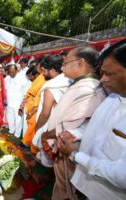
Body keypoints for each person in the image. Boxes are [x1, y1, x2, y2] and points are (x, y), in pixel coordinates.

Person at [58, 39, 126, 200]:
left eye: (109, 74)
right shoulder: (114, 97)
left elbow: (123, 176)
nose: (102, 80)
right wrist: (75, 133)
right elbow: (99, 126)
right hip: (86, 184)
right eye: (102, 73)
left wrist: (76, 156)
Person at [42, 46, 106, 199]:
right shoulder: (78, 85)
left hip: (69, 149)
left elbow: (70, 126)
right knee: (62, 186)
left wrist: (46, 135)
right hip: (61, 147)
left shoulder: (90, 89)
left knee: (69, 190)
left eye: (65, 62)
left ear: (80, 63)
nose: (62, 66)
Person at [32, 55, 70, 156]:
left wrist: (37, 130)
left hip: (50, 126)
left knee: (48, 156)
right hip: (66, 125)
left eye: (44, 71)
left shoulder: (51, 86)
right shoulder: (69, 81)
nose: (43, 74)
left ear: (52, 70)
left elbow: (45, 114)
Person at [22, 58, 46, 151]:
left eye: (38, 65)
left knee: (34, 129)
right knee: (31, 128)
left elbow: (36, 97)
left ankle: (33, 150)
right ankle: (28, 145)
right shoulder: (40, 78)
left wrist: (31, 112)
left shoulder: (43, 78)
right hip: (32, 107)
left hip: (36, 110)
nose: (37, 67)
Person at [5, 65, 24, 138]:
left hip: (18, 103)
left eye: (13, 72)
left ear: (16, 71)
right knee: (10, 117)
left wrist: (22, 105)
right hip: (9, 102)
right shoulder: (6, 79)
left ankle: (17, 134)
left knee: (18, 119)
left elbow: (25, 92)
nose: (11, 74)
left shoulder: (22, 79)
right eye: (9, 72)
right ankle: (11, 130)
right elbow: (6, 90)